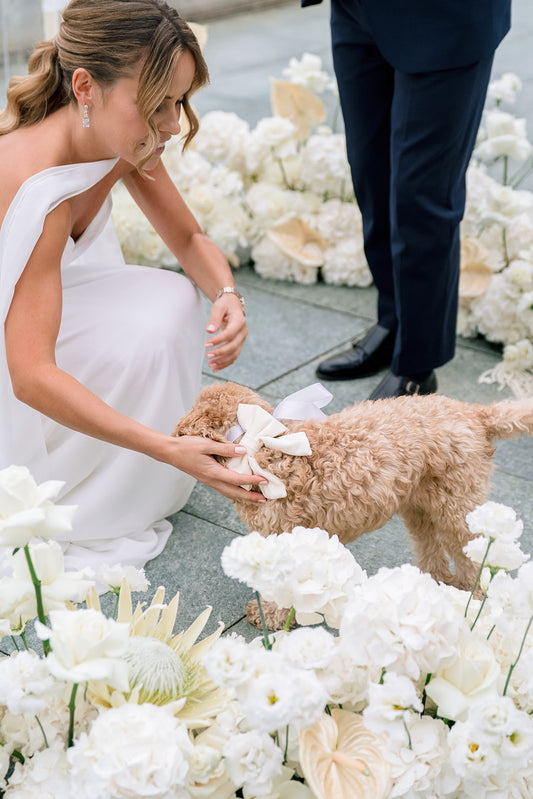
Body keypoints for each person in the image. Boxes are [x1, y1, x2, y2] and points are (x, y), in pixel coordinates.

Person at [0, 0, 266, 574]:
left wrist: (226, 294)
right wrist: (163, 446)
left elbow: (189, 238)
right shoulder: (36, 184)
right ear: (85, 87)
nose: (172, 123)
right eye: (156, 104)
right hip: (14, 355)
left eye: (179, 101)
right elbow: (29, 375)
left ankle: (134, 473)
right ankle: (100, 482)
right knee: (150, 313)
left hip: (29, 310)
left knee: (173, 298)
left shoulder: (121, 140)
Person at [305, 0, 511, 399]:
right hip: (357, 10)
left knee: (422, 196)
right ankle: (394, 320)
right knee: (371, 175)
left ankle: (417, 365)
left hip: (443, 17)